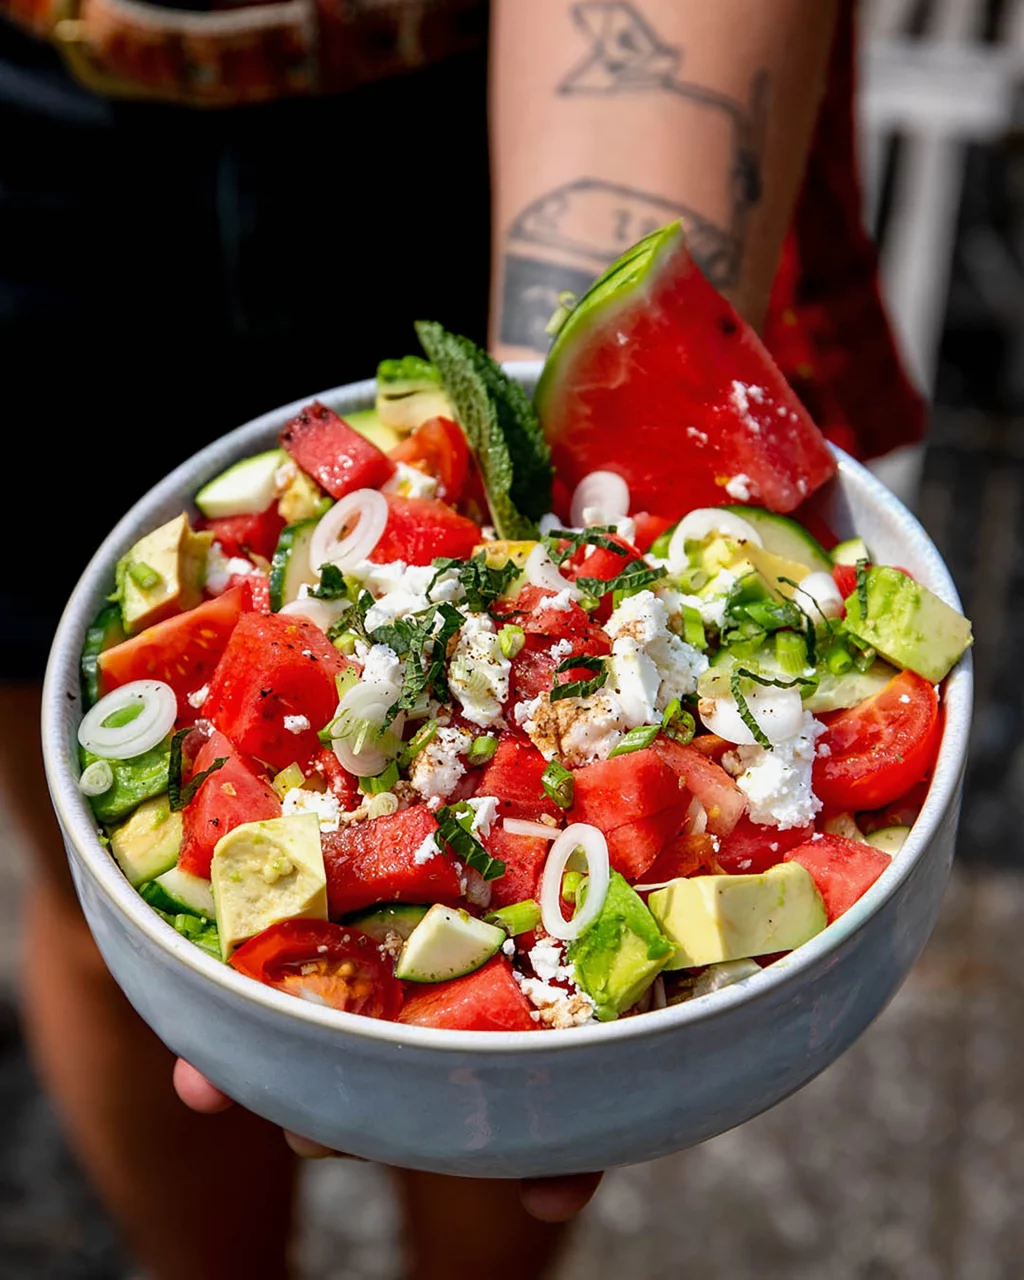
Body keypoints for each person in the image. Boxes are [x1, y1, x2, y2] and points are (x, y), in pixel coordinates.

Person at [0, 2, 925, 1277]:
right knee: (88, 898)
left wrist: (584, 414)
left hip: (468, 97)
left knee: (513, 1120)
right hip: (33, 137)